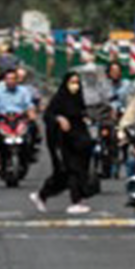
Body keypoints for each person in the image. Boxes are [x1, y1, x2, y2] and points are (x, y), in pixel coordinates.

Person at [31, 71, 94, 215]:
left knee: (67, 174)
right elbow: (48, 115)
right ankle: (76, 202)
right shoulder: (59, 98)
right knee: (72, 170)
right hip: (64, 141)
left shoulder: (78, 98)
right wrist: (59, 119)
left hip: (79, 140)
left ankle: (42, 194)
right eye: (72, 82)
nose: (75, 86)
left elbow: (81, 114)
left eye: (77, 83)